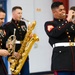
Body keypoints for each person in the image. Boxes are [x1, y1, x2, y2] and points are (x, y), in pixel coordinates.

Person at [44, 1, 75, 75]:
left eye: (64, 9)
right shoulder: (49, 23)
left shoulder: (69, 24)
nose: (64, 11)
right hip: (61, 61)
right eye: (61, 10)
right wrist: (67, 20)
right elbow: (55, 33)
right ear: (54, 12)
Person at [3, 6, 30, 75]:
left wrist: (29, 35)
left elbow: (25, 37)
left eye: (21, 13)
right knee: (15, 73)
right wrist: (12, 53)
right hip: (14, 54)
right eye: (18, 13)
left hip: (23, 52)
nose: (20, 15)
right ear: (13, 14)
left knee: (26, 73)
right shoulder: (7, 26)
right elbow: (4, 41)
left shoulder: (23, 24)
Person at [0, 8, 10, 75]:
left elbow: (2, 43)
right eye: (1, 19)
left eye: (3, 18)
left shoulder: (2, 29)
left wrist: (7, 45)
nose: (3, 21)